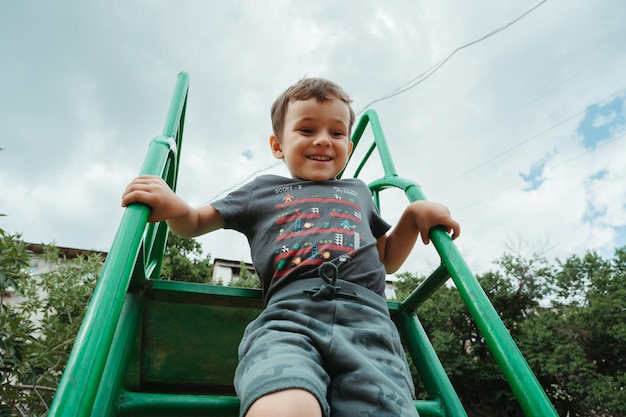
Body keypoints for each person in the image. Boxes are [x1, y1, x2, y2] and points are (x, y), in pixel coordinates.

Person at [122, 77, 460, 417]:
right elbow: (195, 222)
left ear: (350, 147)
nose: (324, 140)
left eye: (337, 133)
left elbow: (386, 259)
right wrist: (172, 207)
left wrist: (413, 217)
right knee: (284, 401)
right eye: (307, 130)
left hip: (369, 323)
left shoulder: (359, 191)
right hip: (289, 315)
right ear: (278, 145)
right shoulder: (262, 190)